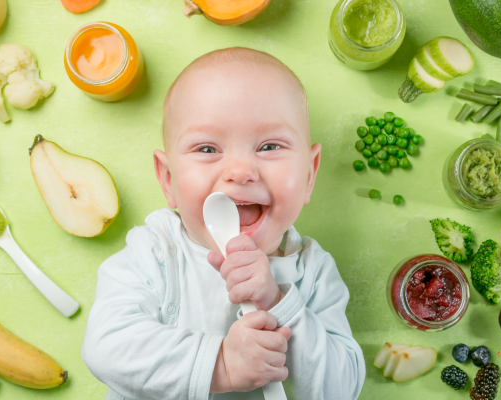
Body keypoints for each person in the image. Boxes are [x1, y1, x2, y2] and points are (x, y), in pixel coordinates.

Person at [82, 47, 365, 400]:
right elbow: (106, 348)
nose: (240, 171)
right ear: (168, 180)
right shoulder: (154, 251)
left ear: (309, 175)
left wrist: (277, 302)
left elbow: (342, 390)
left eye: (270, 146)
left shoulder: (313, 271)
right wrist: (222, 364)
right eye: (207, 149)